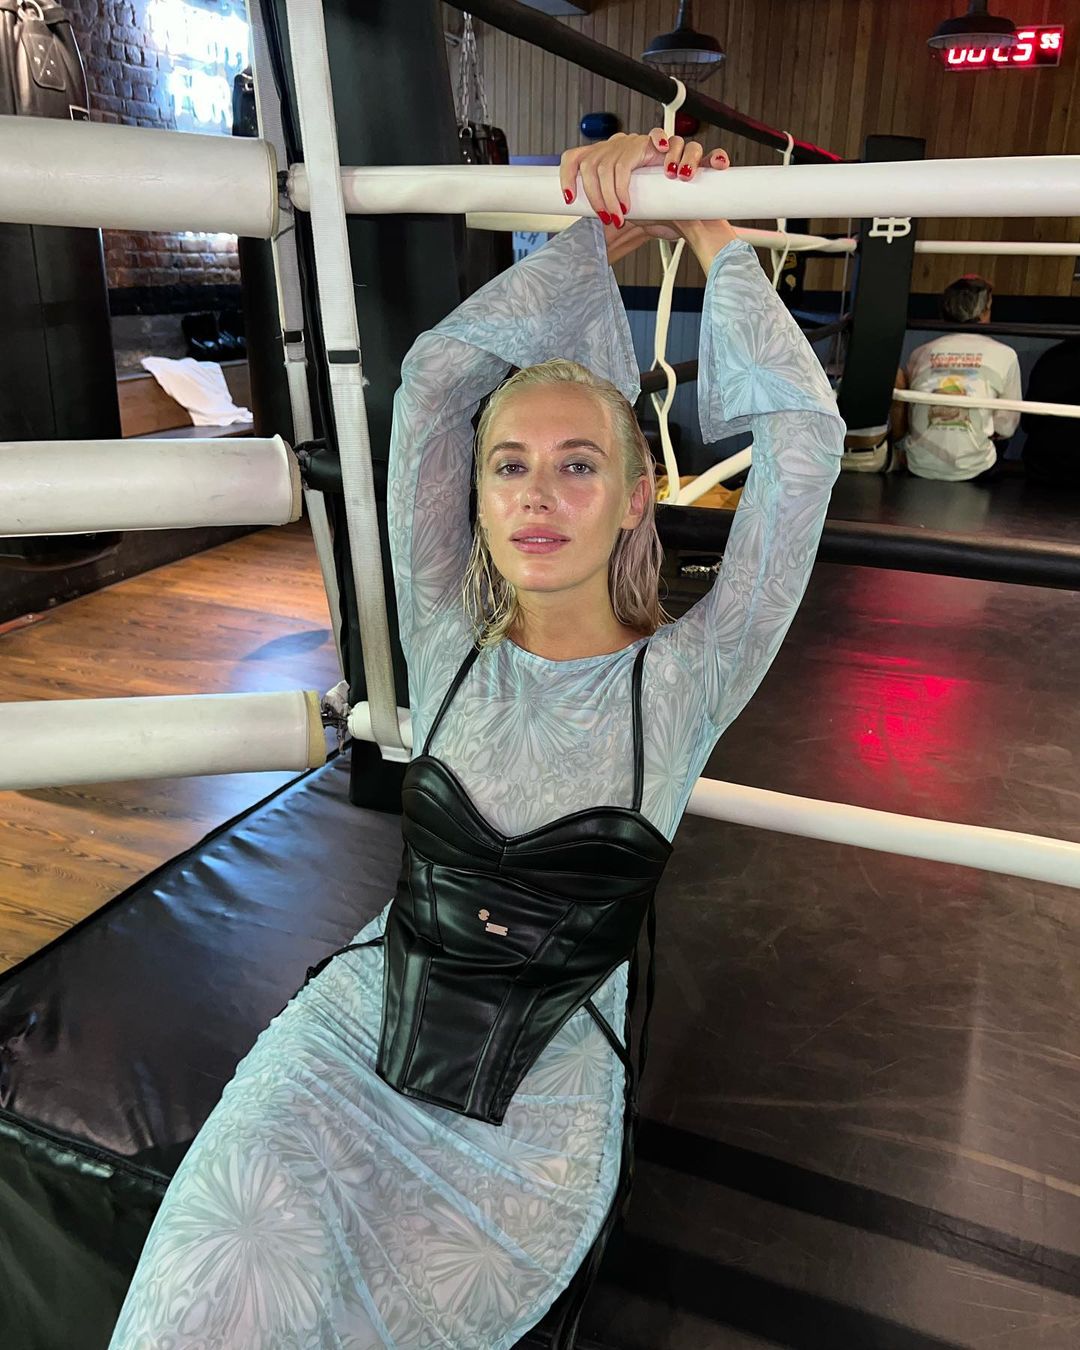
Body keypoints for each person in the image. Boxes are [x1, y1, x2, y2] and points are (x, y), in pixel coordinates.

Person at [107, 129, 843, 1350]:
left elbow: (804, 449)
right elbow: (439, 379)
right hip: (350, 1048)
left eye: (577, 465)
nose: (537, 495)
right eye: (510, 467)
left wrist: (708, 224)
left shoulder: (688, 676)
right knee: (198, 1298)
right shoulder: (445, 634)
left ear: (634, 498)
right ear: (481, 498)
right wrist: (602, 232)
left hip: (533, 1116)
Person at [895, 274, 1022, 482]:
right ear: (984, 312)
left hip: (918, 464)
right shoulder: (1005, 354)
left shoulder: (920, 353)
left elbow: (908, 416)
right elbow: (1006, 427)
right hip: (974, 469)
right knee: (998, 440)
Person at [1020, 335, 1080, 488]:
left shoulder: (1052, 356)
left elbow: (1027, 421)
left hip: (1042, 469)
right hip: (1046, 470)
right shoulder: (1054, 355)